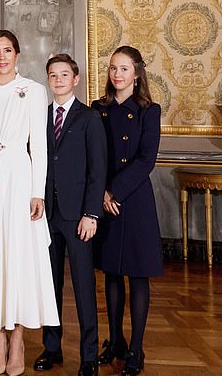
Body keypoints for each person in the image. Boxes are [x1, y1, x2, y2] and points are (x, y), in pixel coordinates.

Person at [0, 30, 59, 376]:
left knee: (19, 258)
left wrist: (38, 192)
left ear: (18, 55)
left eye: (8, 50)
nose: (2, 57)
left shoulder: (33, 91)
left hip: (21, 179)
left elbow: (41, 147)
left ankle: (18, 337)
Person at [91, 46, 163, 376]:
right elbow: (96, 156)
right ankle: (116, 341)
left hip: (133, 201)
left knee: (137, 273)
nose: (116, 75)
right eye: (112, 69)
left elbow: (146, 159)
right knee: (111, 272)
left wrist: (113, 191)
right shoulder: (98, 109)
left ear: (136, 73)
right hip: (104, 201)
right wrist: (101, 194)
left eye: (123, 69)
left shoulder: (149, 111)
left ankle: (136, 348)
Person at [34, 54, 107, 376]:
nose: (59, 80)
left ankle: (89, 355)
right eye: (53, 75)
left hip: (78, 215)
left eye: (65, 74)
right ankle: (52, 347)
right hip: (46, 213)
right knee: (48, 286)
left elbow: (98, 170)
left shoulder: (89, 118)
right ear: (48, 80)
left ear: (75, 79)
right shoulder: (40, 115)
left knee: (83, 287)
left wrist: (91, 214)